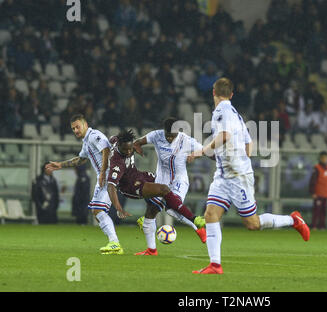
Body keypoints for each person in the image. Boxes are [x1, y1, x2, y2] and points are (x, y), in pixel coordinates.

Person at [188, 77, 310, 274]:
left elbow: (225, 136)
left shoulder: (223, 111)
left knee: (252, 224)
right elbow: (248, 141)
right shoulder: (235, 113)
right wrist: (239, 157)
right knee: (210, 215)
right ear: (232, 94)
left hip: (237, 177)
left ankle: (293, 220)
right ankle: (215, 265)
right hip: (224, 175)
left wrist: (203, 151)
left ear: (213, 92)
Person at [106, 130, 206, 256]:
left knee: (155, 206)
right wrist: (119, 208)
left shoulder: (117, 140)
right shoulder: (117, 163)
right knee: (164, 191)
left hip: (139, 175)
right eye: (125, 150)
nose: (129, 152)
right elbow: (111, 186)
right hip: (131, 187)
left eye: (130, 149)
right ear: (119, 146)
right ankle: (195, 220)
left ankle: (151, 250)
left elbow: (109, 140)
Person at [45, 114, 126, 255]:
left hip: (108, 176)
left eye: (78, 126)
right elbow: (81, 159)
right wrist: (61, 164)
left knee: (98, 210)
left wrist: (102, 173)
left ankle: (114, 243)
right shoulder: (86, 141)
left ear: (85, 124)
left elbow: (106, 150)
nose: (76, 130)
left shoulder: (94, 135)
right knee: (96, 211)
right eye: (73, 128)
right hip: (104, 177)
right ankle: (114, 243)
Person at [132, 117, 209, 254]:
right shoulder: (156, 135)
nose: (169, 138)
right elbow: (137, 142)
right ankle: (151, 249)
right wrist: (137, 148)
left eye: (172, 136)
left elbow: (203, 149)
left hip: (179, 180)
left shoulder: (186, 140)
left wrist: (194, 155)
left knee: (171, 209)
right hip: (161, 181)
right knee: (150, 211)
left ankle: (198, 228)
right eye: (167, 135)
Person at [309, 151, 327, 230]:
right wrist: (313, 192)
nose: (325, 159)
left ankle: (322, 226)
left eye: (326, 158)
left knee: (323, 211)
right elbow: (313, 181)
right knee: (316, 211)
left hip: (325, 193)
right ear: (320, 158)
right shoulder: (316, 168)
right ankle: (314, 226)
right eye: (323, 158)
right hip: (318, 193)